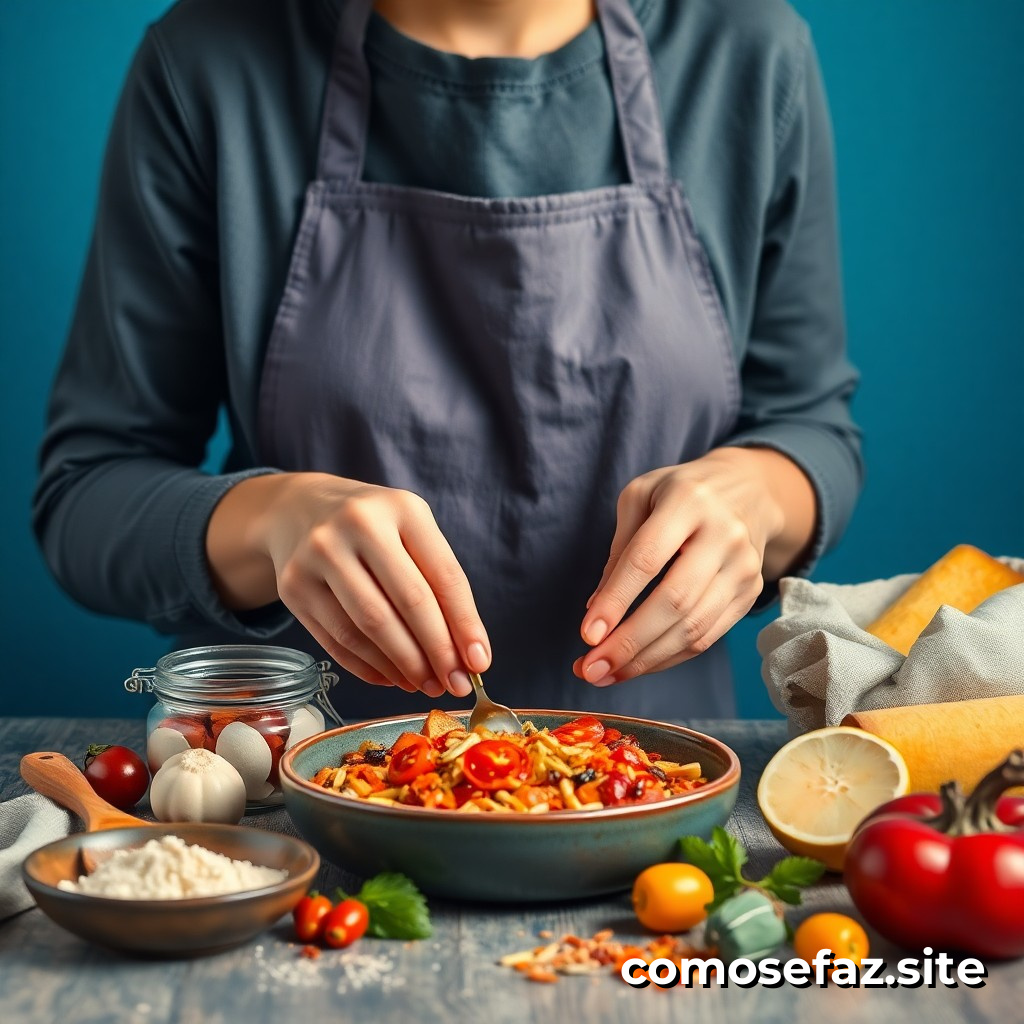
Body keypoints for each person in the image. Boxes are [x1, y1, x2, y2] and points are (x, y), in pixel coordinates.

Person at [33, 0, 862, 721]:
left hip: (650, 790)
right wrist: (270, 519)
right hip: (294, 786)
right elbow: (87, 493)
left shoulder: (751, 52)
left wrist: (754, 497)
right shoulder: (207, 60)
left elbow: (812, 427)